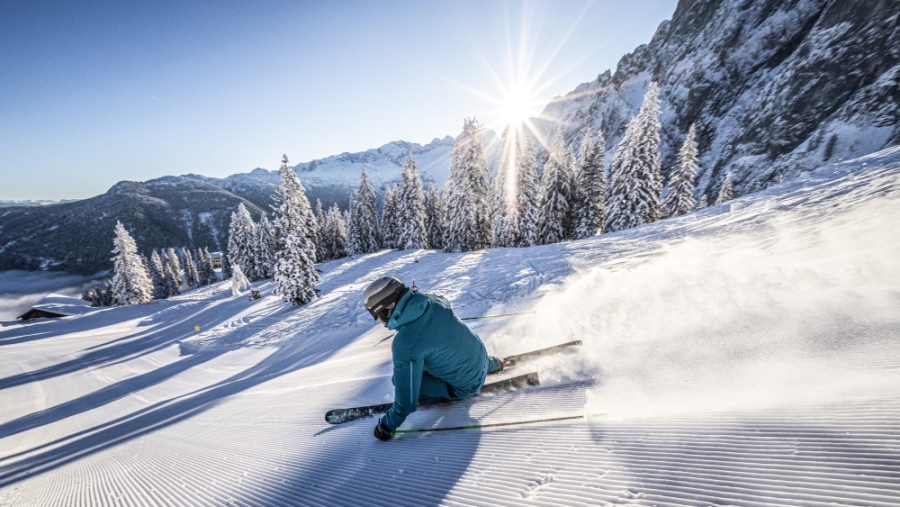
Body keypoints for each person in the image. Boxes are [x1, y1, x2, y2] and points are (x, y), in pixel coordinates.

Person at [363, 276, 504, 441]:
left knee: (398, 379)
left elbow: (406, 402)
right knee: (440, 351)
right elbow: (441, 306)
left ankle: (433, 396)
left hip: (467, 386)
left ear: (387, 309)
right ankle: (497, 364)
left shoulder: (405, 342)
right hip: (482, 357)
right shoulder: (431, 300)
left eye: (376, 316)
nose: (379, 321)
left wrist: (386, 427)